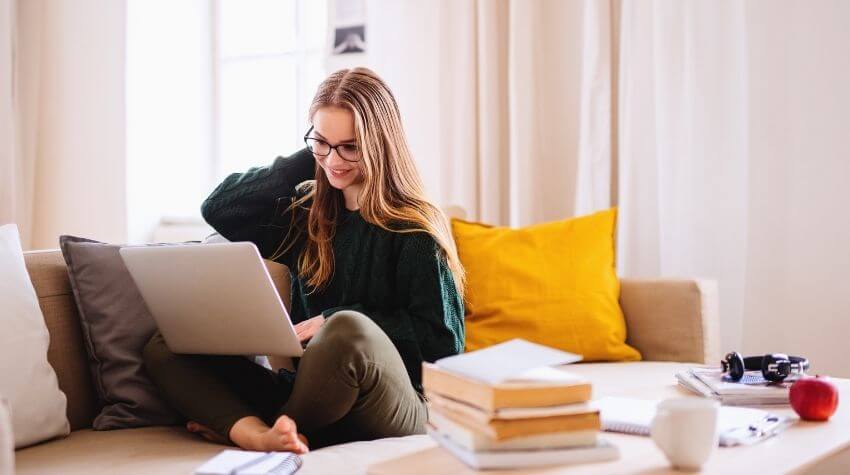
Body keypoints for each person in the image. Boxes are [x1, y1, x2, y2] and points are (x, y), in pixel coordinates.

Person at [142, 67, 466, 454]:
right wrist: (310, 156)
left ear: (381, 144)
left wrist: (334, 320)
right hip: (311, 393)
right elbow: (220, 207)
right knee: (167, 344)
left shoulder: (415, 228)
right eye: (322, 143)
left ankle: (269, 428)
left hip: (398, 402)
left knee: (346, 329)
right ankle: (262, 434)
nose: (335, 161)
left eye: (350, 146)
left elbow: (444, 346)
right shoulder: (305, 215)